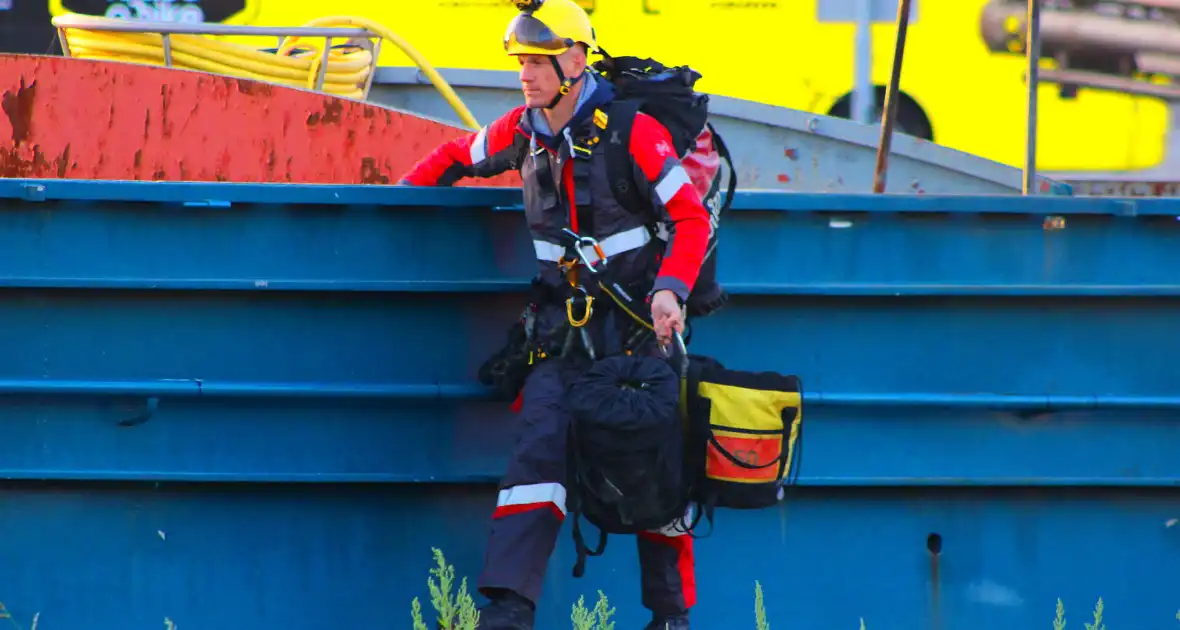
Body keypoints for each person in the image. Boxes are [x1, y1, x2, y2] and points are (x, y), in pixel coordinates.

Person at [397, 1, 711, 628]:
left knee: (650, 463)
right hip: (561, 337)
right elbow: (458, 156)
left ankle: (671, 617)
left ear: (575, 59)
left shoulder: (635, 131)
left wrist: (670, 290)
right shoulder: (522, 130)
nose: (526, 74)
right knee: (535, 462)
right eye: (520, 63)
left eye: (538, 61)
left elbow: (690, 219)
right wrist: (389, 204)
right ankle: (508, 609)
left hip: (635, 334)